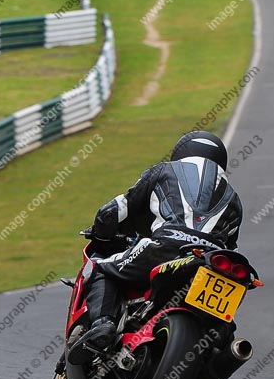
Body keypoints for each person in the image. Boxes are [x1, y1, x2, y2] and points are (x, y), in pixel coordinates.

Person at [74, 131, 243, 355]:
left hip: (167, 246)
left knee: (99, 266)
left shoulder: (164, 170)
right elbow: (230, 247)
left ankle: (103, 325)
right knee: (222, 337)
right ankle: (223, 356)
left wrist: (102, 234)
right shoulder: (235, 199)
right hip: (212, 261)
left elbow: (116, 209)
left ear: (181, 152)